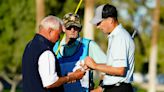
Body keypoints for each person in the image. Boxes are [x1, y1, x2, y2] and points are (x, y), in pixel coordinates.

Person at [22, 16, 84, 92]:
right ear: (50, 31)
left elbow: (39, 77)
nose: (59, 38)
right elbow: (50, 83)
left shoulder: (29, 45)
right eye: (59, 33)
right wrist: (72, 77)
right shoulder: (46, 51)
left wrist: (66, 77)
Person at [84, 4, 135, 92]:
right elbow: (113, 67)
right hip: (114, 88)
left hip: (119, 89)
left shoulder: (120, 37)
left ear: (110, 20)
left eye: (99, 23)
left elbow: (120, 70)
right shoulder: (115, 36)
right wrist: (101, 88)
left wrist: (95, 65)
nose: (97, 26)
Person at [53, 13, 106, 92]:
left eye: (76, 27)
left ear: (80, 28)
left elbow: (108, 68)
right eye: (69, 27)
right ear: (63, 28)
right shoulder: (54, 47)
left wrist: (99, 89)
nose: (72, 30)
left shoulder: (89, 45)